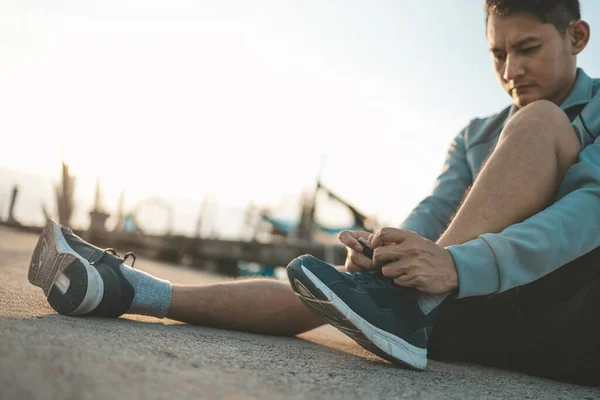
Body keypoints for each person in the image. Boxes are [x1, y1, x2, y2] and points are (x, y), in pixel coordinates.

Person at [27, 0, 600, 385]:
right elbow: (434, 208)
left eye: (527, 49)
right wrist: (391, 251)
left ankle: (407, 304)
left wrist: (451, 265)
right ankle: (128, 290)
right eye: (498, 54)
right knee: (342, 289)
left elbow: (585, 215)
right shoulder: (475, 134)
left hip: (573, 320)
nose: (511, 69)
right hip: (474, 311)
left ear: (577, 36)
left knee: (541, 121)